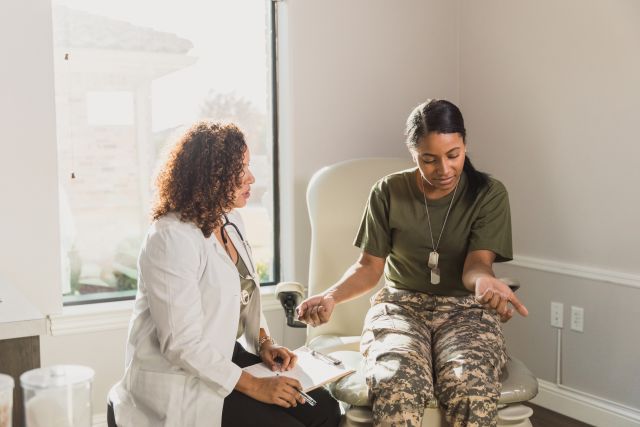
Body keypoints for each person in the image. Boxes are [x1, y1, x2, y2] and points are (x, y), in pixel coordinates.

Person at [296, 100, 529, 427]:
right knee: (396, 385)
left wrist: (484, 282)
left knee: (469, 388)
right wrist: (331, 295)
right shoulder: (387, 191)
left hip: (465, 308)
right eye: (428, 159)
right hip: (401, 307)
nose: (444, 170)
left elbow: (477, 264)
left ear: (465, 144)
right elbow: (369, 267)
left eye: (454, 155)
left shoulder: (488, 193)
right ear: (413, 152)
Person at [109, 122, 340, 427]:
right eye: (240, 169)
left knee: (324, 409)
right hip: (178, 377)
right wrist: (257, 386)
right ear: (210, 177)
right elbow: (181, 344)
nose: (251, 177)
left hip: (219, 355)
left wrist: (265, 344)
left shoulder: (230, 220)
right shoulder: (170, 237)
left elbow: (242, 293)